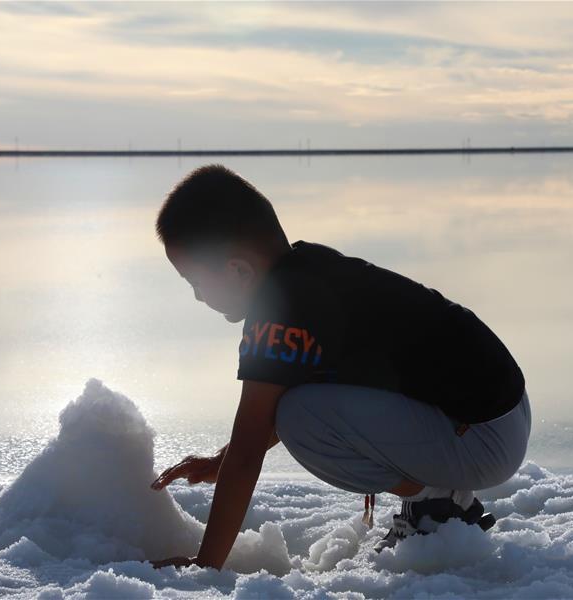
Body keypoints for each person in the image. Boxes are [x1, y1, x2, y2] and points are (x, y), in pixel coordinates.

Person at [148, 163, 531, 570]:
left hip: (482, 437)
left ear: (238, 270)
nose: (196, 297)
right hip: (500, 416)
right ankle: (437, 493)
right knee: (298, 404)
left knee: (298, 418)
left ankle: (437, 501)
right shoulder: (307, 273)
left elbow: (250, 446)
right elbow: (260, 424)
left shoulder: (279, 310)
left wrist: (204, 565)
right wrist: (219, 461)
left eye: (196, 283)